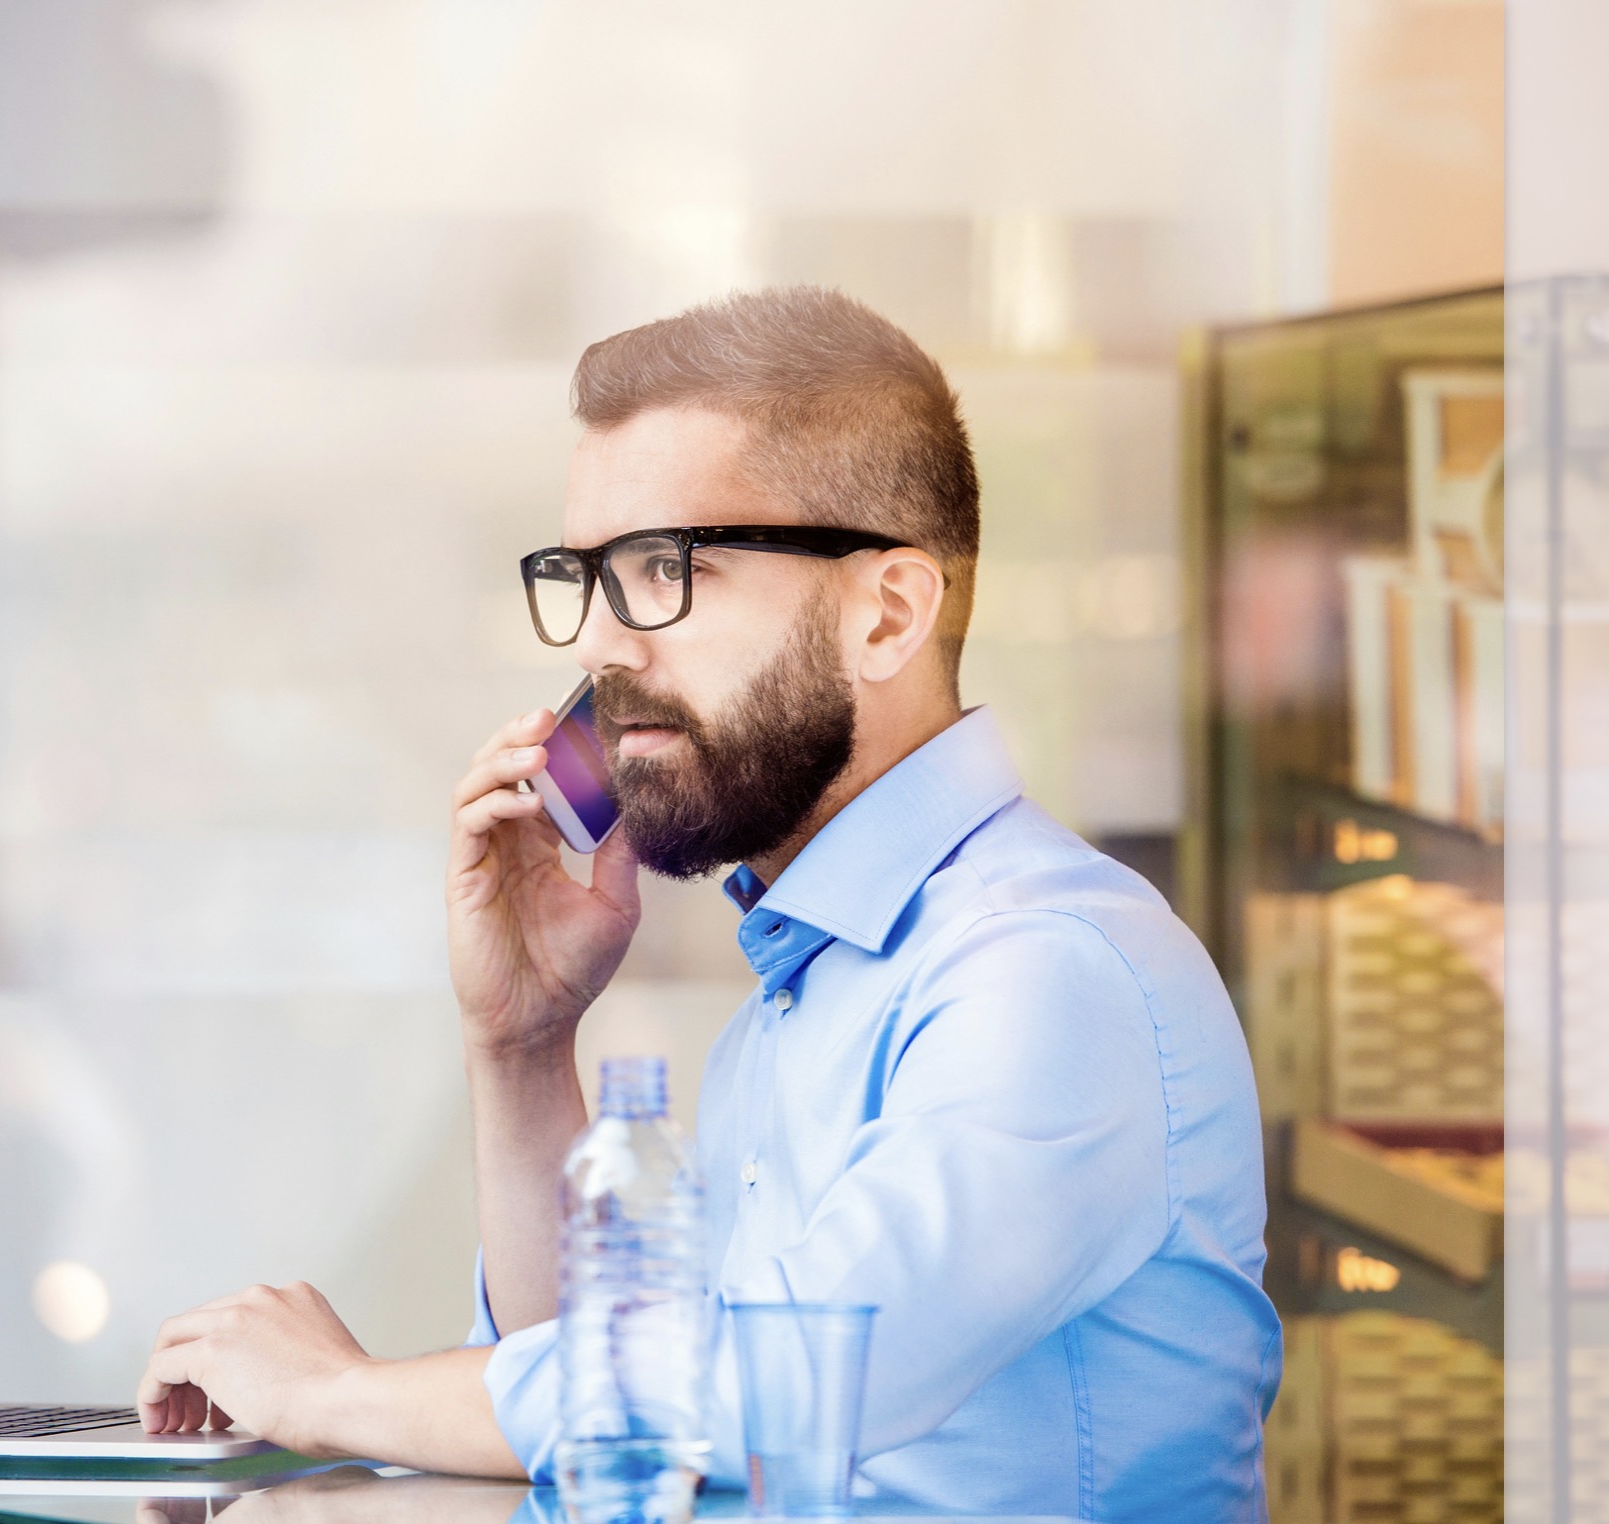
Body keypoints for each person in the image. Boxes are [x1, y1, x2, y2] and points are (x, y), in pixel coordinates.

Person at [136, 287, 1280, 1518]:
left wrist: (332, 1396)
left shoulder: (1047, 971)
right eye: (589, 577)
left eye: (665, 571)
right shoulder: (798, 1002)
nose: (606, 650)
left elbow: (782, 1384)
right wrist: (522, 1045)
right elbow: (619, 1432)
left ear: (886, 614)